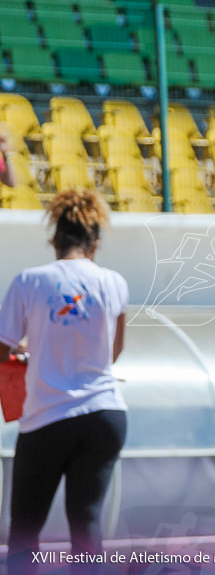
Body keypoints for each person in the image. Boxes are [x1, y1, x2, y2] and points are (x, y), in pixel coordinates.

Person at [0, 188, 129, 575]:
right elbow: (113, 353)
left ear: (54, 241)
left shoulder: (29, 281)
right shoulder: (114, 283)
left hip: (48, 416)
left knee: (25, 529)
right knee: (86, 524)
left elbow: (2, 349)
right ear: (94, 245)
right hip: (106, 413)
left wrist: (27, 351)